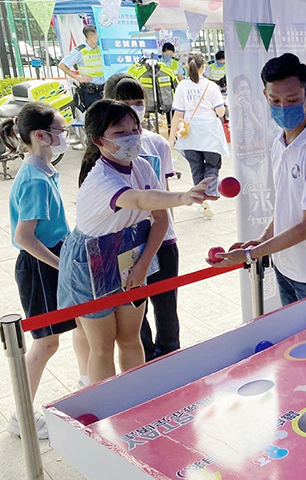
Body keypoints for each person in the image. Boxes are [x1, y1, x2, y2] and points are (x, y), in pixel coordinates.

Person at [57, 100, 212, 383]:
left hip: (131, 253)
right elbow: (139, 199)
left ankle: (137, 397)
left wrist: (142, 265)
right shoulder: (101, 179)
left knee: (130, 338)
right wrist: (183, 196)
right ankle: (107, 410)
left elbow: (160, 219)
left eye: (135, 128)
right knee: (102, 345)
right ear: (98, 140)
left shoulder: (142, 165)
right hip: (93, 260)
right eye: (120, 133)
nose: (132, 136)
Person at [212, 54, 306, 306]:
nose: (283, 108)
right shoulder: (279, 141)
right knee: (294, 342)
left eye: (292, 100)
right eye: (275, 100)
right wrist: (263, 240)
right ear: (265, 96)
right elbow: (287, 205)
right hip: (285, 266)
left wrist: (253, 253)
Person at [1, 103, 89, 439]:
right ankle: (21, 415)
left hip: (55, 257)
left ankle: (87, 386)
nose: (65, 137)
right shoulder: (35, 179)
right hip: (41, 265)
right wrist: (60, 265)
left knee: (82, 322)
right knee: (46, 343)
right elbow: (24, 237)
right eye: (61, 132)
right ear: (41, 136)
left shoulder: (42, 172)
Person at [105, 75, 181, 361]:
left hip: (164, 237)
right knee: (135, 311)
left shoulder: (158, 143)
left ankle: (171, 357)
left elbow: (165, 191)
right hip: (128, 242)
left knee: (167, 305)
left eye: (139, 103)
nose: (133, 110)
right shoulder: (103, 151)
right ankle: (146, 357)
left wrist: (169, 228)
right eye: (126, 103)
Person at [170, 54, 228, 218]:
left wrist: (172, 137)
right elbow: (220, 112)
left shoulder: (182, 86)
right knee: (212, 165)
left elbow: (177, 114)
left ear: (188, 66)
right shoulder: (211, 86)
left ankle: (203, 201)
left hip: (189, 134)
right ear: (204, 67)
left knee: (196, 168)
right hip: (209, 133)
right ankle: (209, 194)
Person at [58, 25, 105, 111]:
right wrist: (78, 78)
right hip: (91, 92)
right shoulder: (81, 51)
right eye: (98, 35)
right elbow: (62, 65)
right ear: (91, 37)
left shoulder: (100, 49)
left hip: (104, 89)